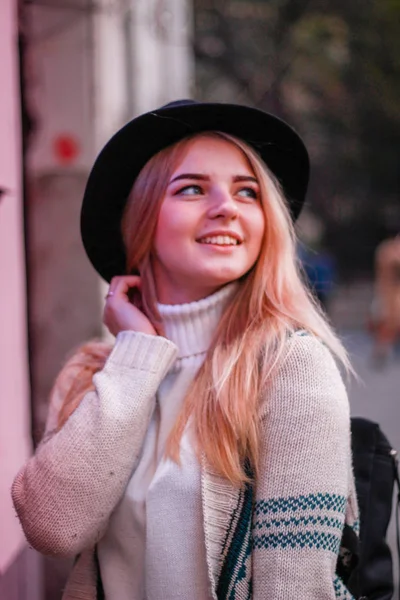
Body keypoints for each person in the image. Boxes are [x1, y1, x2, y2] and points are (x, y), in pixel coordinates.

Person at [12, 100, 358, 599]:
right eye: (192, 189)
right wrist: (136, 354)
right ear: (141, 220)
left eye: (248, 192)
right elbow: (52, 528)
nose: (227, 207)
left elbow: (296, 589)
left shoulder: (289, 366)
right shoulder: (95, 370)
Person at [369, 233, 400, 365]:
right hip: (387, 292)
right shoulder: (388, 251)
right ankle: (382, 350)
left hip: (392, 293)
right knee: (385, 322)